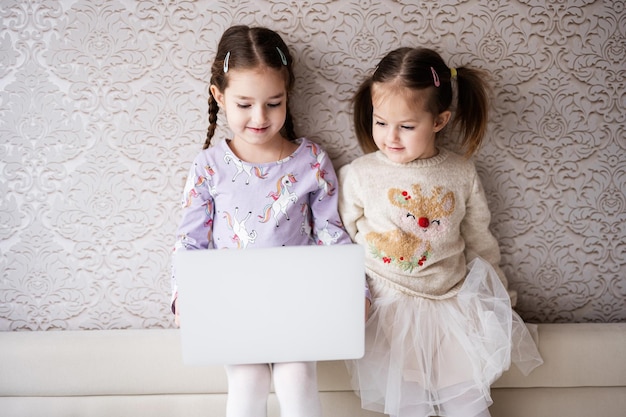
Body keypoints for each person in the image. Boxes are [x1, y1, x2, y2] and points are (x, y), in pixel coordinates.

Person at [338, 47, 543, 417]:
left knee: (469, 404)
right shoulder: (360, 174)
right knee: (410, 407)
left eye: (406, 126)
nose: (390, 137)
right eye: (381, 122)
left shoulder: (461, 172)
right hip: (390, 311)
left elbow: (480, 241)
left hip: (452, 307)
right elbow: (340, 240)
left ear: (439, 120)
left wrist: (501, 301)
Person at [170, 25, 356, 417]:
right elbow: (189, 241)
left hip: (297, 305)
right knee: (248, 382)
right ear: (219, 97)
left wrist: (358, 293)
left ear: (288, 95)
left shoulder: (312, 162)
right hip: (233, 306)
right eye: (244, 104)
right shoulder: (209, 167)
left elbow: (331, 233)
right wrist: (182, 298)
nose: (259, 117)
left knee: (297, 381)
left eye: (274, 102)